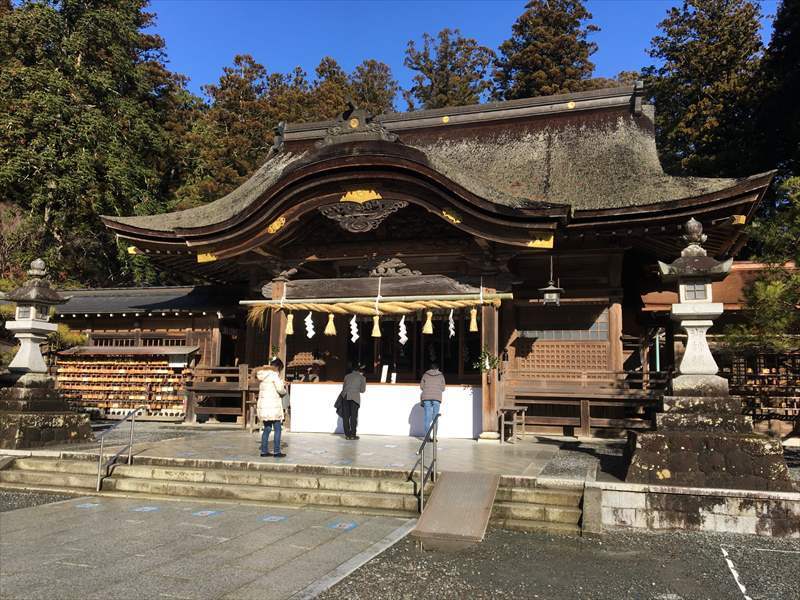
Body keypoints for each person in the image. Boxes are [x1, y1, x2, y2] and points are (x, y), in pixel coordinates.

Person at [256, 358, 287, 457]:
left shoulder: (263, 376)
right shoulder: (274, 376)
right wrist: (284, 388)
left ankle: (264, 451)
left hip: (265, 407)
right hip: (273, 407)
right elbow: (280, 390)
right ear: (277, 367)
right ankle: (277, 451)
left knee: (267, 429)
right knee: (278, 429)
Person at [341, 364, 366, 440]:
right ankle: (353, 435)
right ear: (359, 370)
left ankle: (347, 435)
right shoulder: (362, 378)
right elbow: (362, 390)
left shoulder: (346, 376)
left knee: (346, 416)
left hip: (345, 396)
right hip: (355, 398)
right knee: (353, 417)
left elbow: (344, 387)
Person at [420, 362, 446, 435]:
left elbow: (421, 387)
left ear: (430, 368)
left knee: (427, 417)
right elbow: (443, 388)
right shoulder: (441, 375)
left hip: (426, 397)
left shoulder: (425, 375)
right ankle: (435, 437)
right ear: (438, 368)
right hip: (437, 397)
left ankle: (427, 437)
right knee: (435, 417)